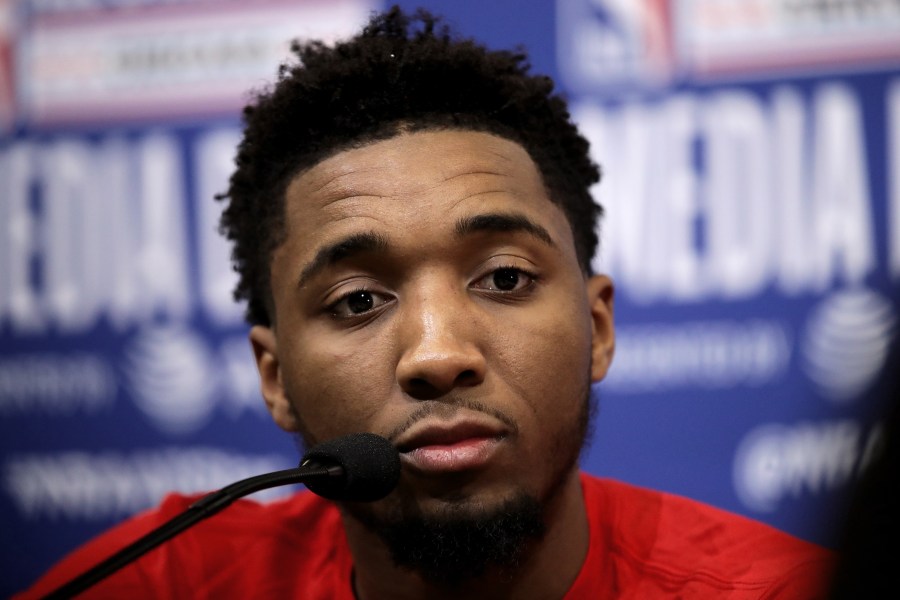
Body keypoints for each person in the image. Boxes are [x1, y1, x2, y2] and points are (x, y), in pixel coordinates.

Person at [21, 7, 833, 599]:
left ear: (597, 327)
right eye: (359, 299)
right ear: (274, 378)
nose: (440, 355)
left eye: (505, 278)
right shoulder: (164, 583)